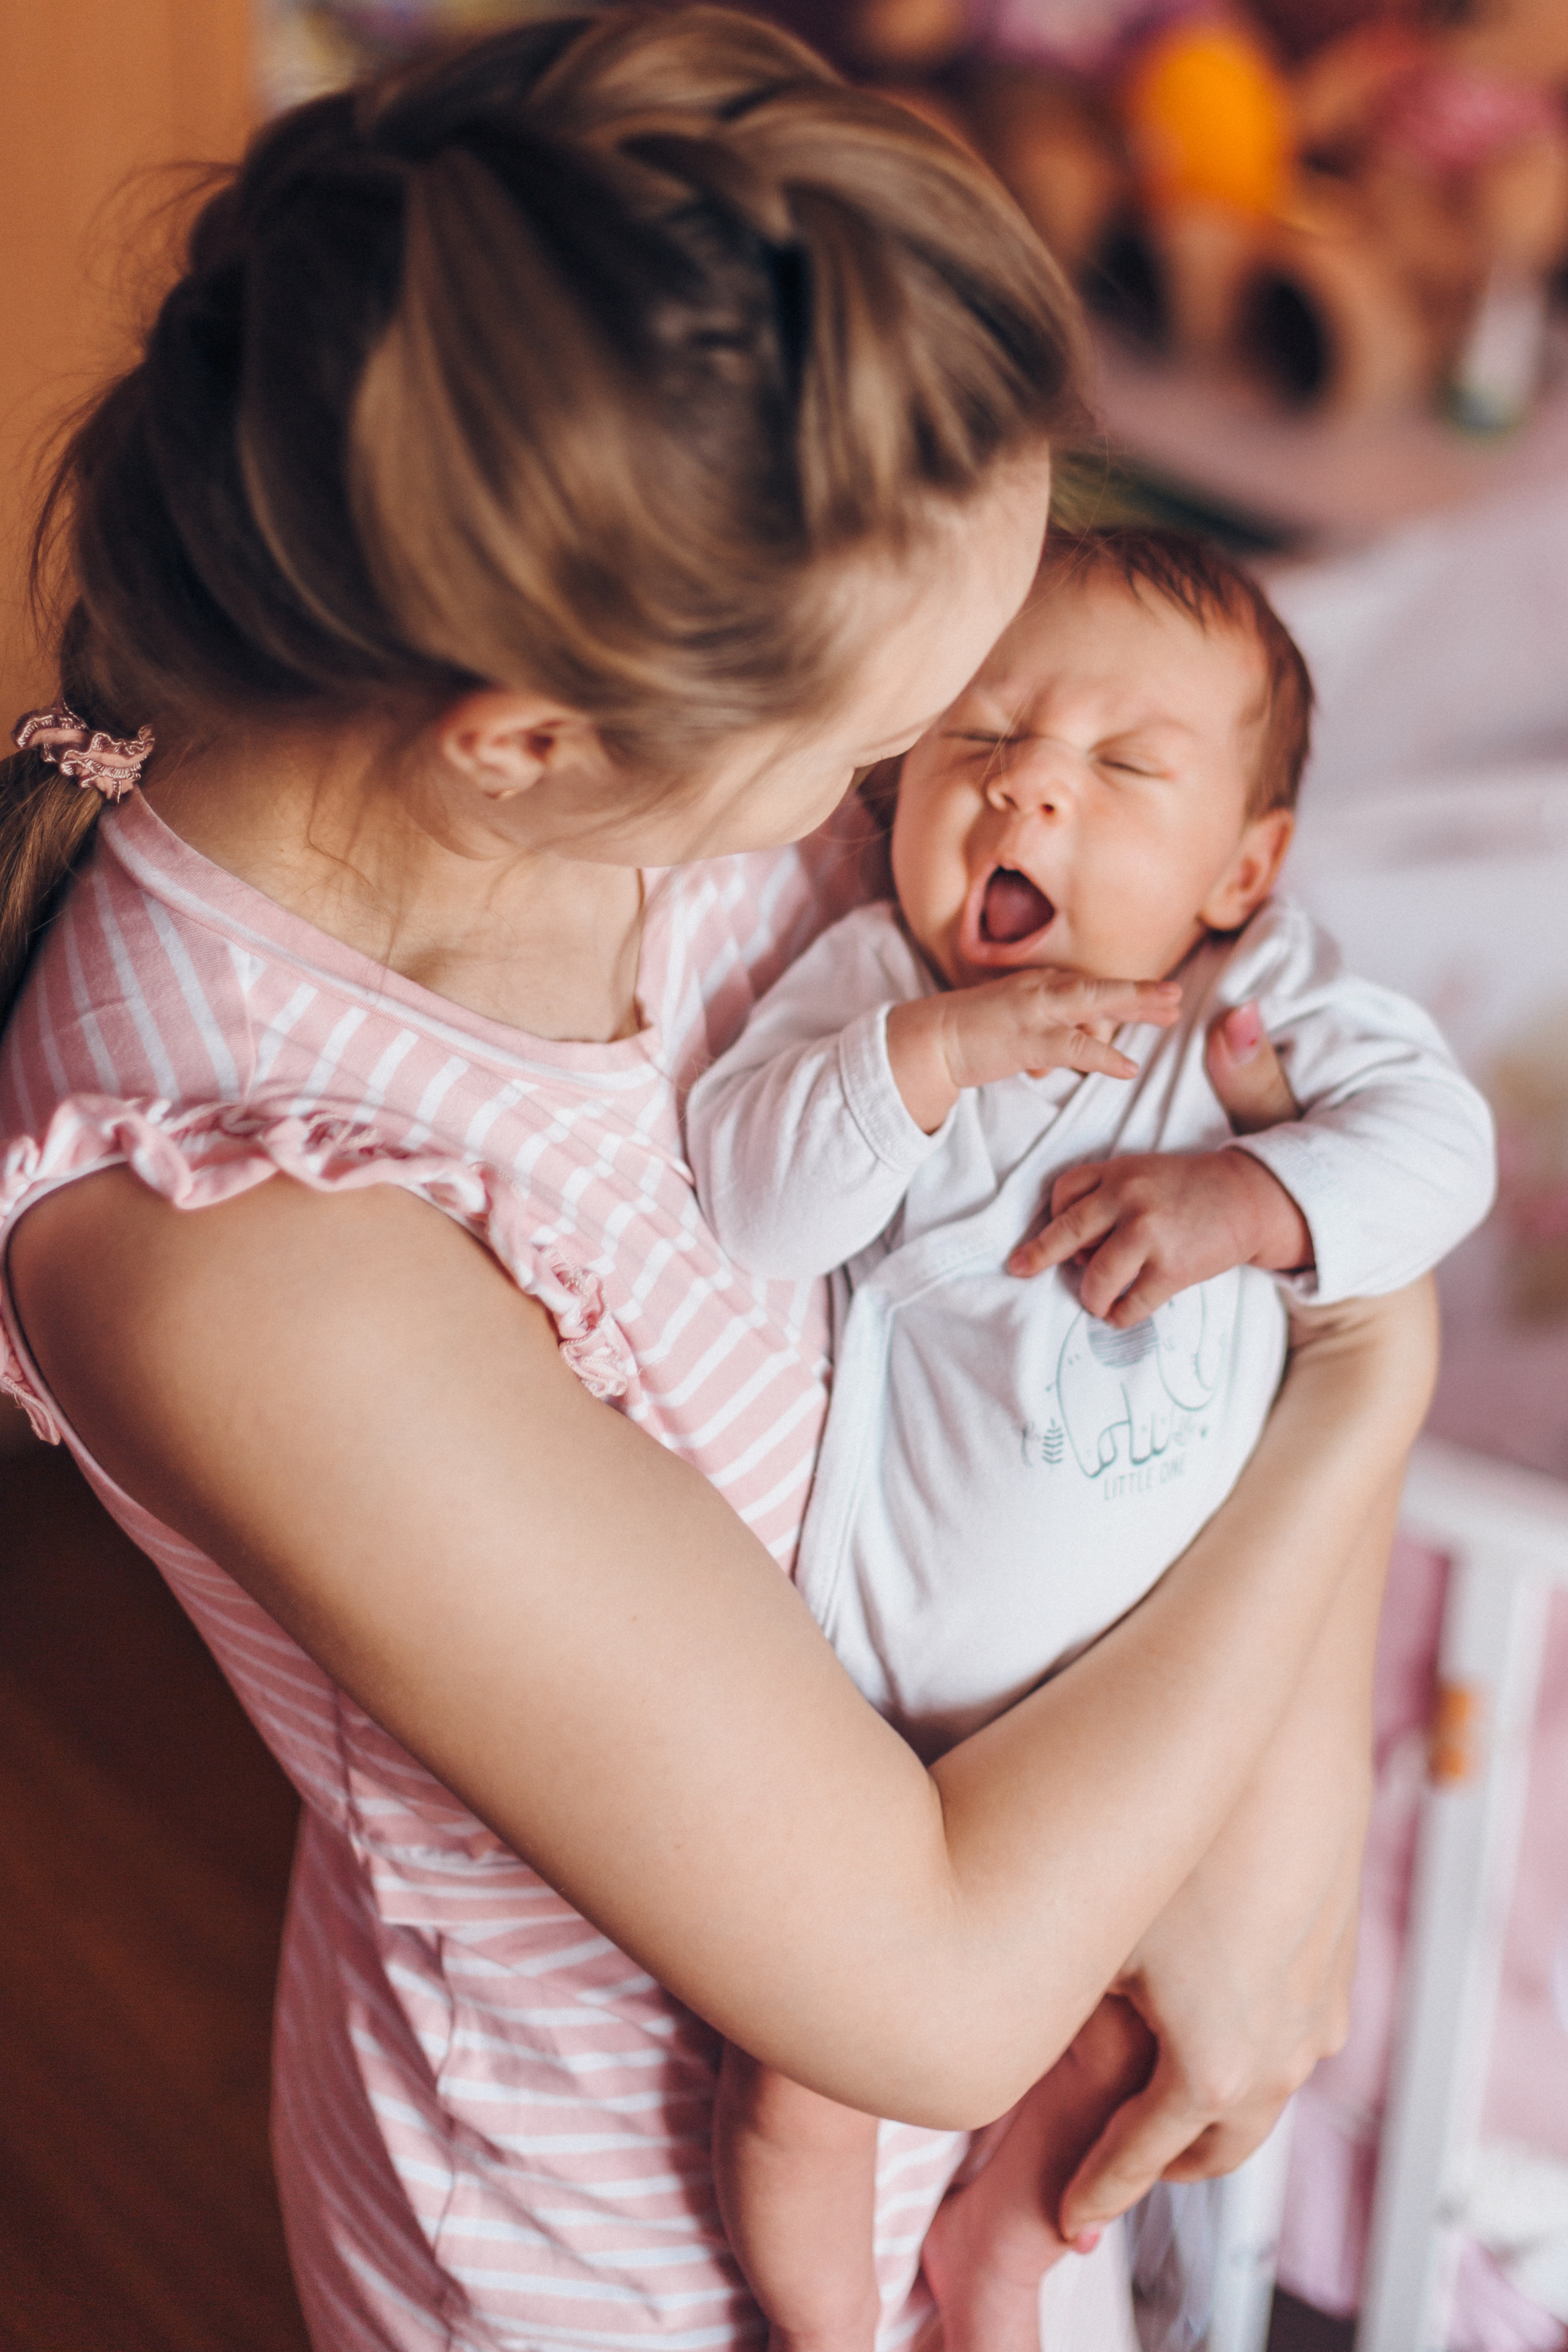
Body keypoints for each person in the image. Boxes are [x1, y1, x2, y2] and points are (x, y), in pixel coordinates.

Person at [0, 12, 1438, 2348]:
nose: (941, 782)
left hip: (988, 2081)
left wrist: (1278, 1831)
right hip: (619, 2259)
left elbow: (1214, 1096)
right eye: (894, 735)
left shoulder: (675, 805)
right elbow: (943, 1984)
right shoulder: (242, 1248)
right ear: (536, 743)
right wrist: (1374, 1393)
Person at [687, 524, 1494, 2351]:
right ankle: (827, 2332)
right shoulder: (869, 996)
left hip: (1141, 1707)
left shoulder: (1252, 1018)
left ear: (1244, 870)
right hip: (888, 1725)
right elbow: (752, 1201)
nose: (1029, 788)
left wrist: (1260, 1198)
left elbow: (1443, 1151)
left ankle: (1002, 2262)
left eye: (1125, 768)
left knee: (1131, 2039)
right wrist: (936, 1063)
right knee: (805, 2085)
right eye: (979, 740)